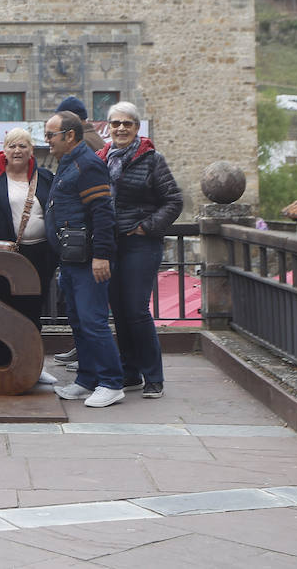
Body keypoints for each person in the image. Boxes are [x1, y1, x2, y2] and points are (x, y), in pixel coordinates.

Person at [100, 101, 183, 400]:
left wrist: (147, 226)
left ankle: (154, 376)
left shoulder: (151, 159)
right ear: (107, 128)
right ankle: (129, 372)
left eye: (127, 124)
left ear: (137, 128)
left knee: (136, 309)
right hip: (111, 244)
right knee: (119, 311)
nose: (121, 129)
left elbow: (174, 200)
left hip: (140, 244)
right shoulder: (102, 159)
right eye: (115, 123)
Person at [44, 110, 125, 408]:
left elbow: (103, 213)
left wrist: (101, 255)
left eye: (51, 135)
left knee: (93, 322)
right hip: (71, 260)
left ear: (70, 136)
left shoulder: (87, 165)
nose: (47, 140)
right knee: (79, 322)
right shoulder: (68, 163)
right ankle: (87, 380)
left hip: (88, 260)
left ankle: (111, 382)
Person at [0, 127, 56, 384]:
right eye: (12, 146)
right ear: (4, 150)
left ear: (31, 150)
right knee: (3, 308)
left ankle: (33, 365)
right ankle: (3, 362)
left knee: (32, 309)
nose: (17, 150)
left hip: (39, 254)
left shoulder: (44, 177)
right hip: (3, 254)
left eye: (23, 146)